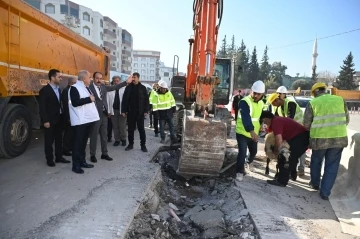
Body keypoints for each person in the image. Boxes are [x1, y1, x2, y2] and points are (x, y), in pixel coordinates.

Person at [303, 82, 349, 200]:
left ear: (314, 93)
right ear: (325, 90)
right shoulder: (340, 99)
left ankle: (315, 183)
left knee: (316, 161)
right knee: (332, 166)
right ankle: (325, 192)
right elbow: (347, 119)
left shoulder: (313, 103)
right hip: (339, 138)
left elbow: (306, 124)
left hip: (320, 139)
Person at [89, 72, 131, 163]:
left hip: (104, 115)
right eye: (97, 78)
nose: (99, 80)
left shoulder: (104, 87)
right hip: (95, 115)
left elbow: (114, 87)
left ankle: (104, 153)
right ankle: (92, 154)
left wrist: (125, 82)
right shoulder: (89, 88)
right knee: (94, 136)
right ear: (93, 78)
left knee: (104, 135)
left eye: (101, 78)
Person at [260, 111, 309, 187]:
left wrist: (276, 151)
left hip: (301, 138)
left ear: (267, 119)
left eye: (264, 121)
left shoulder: (276, 122)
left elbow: (278, 140)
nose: (264, 123)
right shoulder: (276, 120)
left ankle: (281, 181)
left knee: (285, 158)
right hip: (299, 137)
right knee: (290, 158)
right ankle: (287, 176)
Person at [267, 92, 306, 176]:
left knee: (299, 152)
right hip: (291, 132)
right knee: (291, 152)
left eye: (273, 103)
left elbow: (289, 119)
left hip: (299, 130)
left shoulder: (290, 103)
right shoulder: (280, 107)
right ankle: (292, 171)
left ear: (277, 100)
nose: (273, 105)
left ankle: (300, 168)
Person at [68, 70, 99, 174]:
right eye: (89, 77)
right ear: (83, 78)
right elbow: (75, 103)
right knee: (77, 144)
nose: (90, 79)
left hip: (87, 120)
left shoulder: (86, 87)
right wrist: (89, 99)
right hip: (80, 120)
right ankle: (75, 165)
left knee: (83, 142)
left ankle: (82, 161)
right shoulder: (74, 88)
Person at [235, 80, 265, 182]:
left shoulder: (261, 103)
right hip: (242, 132)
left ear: (262, 94)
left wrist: (261, 125)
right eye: (254, 93)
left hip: (254, 133)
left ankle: (249, 162)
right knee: (242, 152)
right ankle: (239, 172)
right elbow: (246, 118)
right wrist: (252, 131)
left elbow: (260, 117)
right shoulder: (244, 102)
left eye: (258, 94)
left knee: (254, 151)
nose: (256, 95)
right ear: (251, 90)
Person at [39, 69, 70, 167]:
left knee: (58, 139)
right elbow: (42, 107)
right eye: (59, 77)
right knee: (49, 141)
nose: (61, 78)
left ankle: (59, 157)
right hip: (50, 120)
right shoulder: (44, 91)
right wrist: (45, 121)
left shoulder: (59, 89)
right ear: (52, 77)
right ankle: (49, 159)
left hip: (59, 118)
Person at [121, 72, 150, 152]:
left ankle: (143, 145)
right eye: (132, 77)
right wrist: (123, 110)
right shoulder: (128, 87)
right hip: (131, 112)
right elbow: (124, 100)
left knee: (141, 130)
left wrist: (146, 110)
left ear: (138, 78)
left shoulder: (143, 88)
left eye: (134, 77)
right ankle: (130, 144)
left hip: (140, 113)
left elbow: (146, 100)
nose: (133, 79)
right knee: (130, 129)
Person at [107, 76, 128, 147]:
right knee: (115, 127)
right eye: (115, 81)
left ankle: (123, 139)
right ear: (113, 81)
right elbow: (107, 101)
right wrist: (108, 111)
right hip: (113, 111)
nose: (116, 82)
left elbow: (127, 101)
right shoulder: (110, 90)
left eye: (117, 81)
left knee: (122, 126)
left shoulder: (124, 89)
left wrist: (125, 111)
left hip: (122, 111)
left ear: (120, 81)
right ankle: (117, 140)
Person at [61, 76, 77, 156]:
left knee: (71, 132)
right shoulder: (66, 91)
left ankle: (69, 147)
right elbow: (66, 105)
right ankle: (65, 149)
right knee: (68, 133)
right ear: (72, 83)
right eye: (75, 82)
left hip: (72, 115)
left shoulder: (70, 90)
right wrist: (69, 117)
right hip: (69, 115)